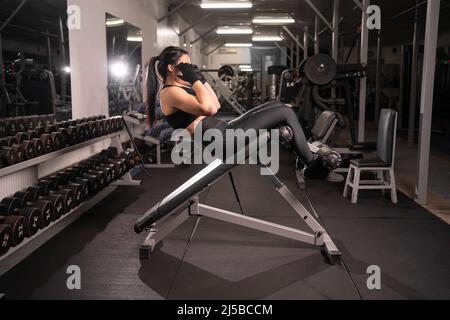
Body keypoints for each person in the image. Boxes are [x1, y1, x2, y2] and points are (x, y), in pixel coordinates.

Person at [146, 46, 337, 188]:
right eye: (184, 65)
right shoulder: (170, 92)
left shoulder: (179, 88)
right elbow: (210, 108)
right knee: (285, 112)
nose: (187, 68)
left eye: (189, 65)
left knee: (277, 105)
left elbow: (217, 104)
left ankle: (304, 154)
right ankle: (311, 164)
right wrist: (195, 79)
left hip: (223, 132)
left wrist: (200, 79)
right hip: (222, 140)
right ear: (171, 68)